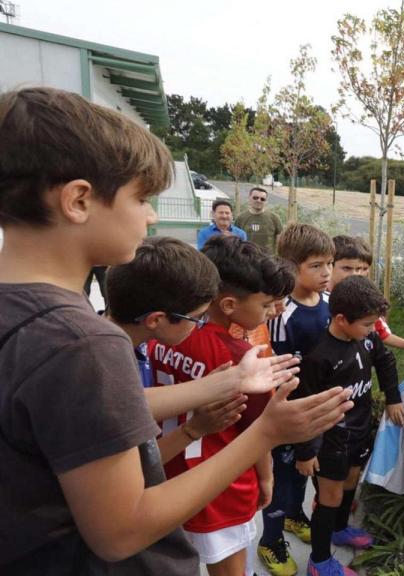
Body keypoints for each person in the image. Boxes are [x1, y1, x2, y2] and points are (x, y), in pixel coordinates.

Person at [0, 86, 351, 574]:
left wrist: (228, 381)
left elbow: (98, 411)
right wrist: (266, 434)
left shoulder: (31, 319)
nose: (150, 215)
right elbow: (122, 530)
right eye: (141, 197)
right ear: (78, 200)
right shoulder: (83, 342)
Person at [148, 235, 294, 576]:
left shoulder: (164, 334)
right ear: (229, 305)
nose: (272, 311)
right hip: (221, 488)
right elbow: (259, 431)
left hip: (168, 475)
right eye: (265, 303)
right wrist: (267, 479)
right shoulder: (242, 359)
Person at [106, 236, 300, 464]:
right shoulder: (104, 372)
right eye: (197, 318)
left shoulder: (138, 345)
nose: (200, 326)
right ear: (156, 319)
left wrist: (231, 380)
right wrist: (192, 430)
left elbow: (133, 403)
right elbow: (121, 410)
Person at [295, 275, 404, 576]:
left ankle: (340, 529)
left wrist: (393, 398)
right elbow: (305, 406)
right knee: (329, 497)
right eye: (368, 324)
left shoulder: (367, 339)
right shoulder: (319, 356)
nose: (374, 330)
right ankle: (318, 561)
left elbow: (385, 361)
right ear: (342, 319)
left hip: (359, 428)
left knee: (350, 483)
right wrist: (306, 452)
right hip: (331, 439)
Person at [260, 223, 336, 575]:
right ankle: (271, 540)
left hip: (317, 410)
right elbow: (281, 374)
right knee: (282, 477)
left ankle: (294, 516)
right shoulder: (282, 314)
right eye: (317, 266)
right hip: (292, 412)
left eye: (329, 264)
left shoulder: (328, 302)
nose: (327, 273)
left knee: (305, 471)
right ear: (292, 267)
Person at [331, 234, 404, 350]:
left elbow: (384, 334)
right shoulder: (318, 297)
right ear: (329, 264)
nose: (356, 274)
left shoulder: (365, 298)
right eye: (347, 268)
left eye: (363, 269)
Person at [235, 186, 285, 254]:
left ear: (266, 201)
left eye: (262, 199)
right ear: (249, 198)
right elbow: (235, 241)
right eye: (255, 198)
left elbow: (281, 241)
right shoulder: (240, 218)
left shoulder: (274, 218)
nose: (259, 200)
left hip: (268, 260)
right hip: (246, 259)